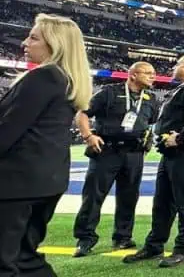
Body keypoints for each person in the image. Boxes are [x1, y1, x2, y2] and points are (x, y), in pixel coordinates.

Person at [0, 14, 93, 277]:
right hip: (44, 181)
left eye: (33, 37)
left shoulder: (43, 77)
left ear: (55, 44)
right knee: (25, 259)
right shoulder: (65, 79)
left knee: (6, 261)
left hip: (15, 184)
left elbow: (8, 132)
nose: (24, 42)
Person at [123, 56, 184, 268]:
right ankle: (154, 245)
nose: (173, 68)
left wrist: (180, 137)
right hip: (171, 156)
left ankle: (183, 249)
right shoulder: (182, 89)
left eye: (177, 65)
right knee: (162, 203)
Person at [72, 61, 158, 257]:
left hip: (135, 153)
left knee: (129, 197)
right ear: (133, 75)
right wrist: (88, 136)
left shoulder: (152, 98)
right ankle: (85, 239)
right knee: (93, 196)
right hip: (107, 150)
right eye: (148, 73)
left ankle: (123, 237)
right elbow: (82, 113)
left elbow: (149, 123)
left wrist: (147, 141)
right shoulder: (109, 92)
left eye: (153, 73)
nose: (153, 76)